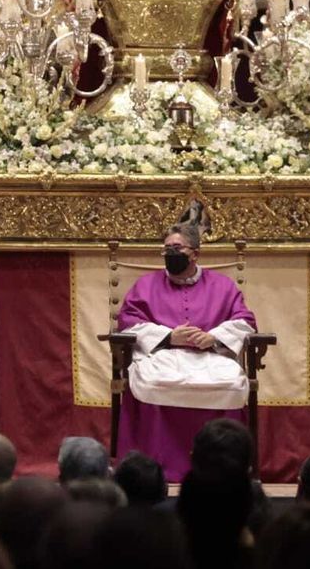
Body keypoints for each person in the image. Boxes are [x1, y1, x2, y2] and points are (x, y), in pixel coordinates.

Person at [115, 204, 257, 481]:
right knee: (151, 381)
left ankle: (223, 465)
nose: (170, 254)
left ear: (195, 253)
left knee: (231, 381)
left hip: (211, 358)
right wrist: (168, 336)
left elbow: (245, 321)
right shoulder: (146, 285)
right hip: (163, 357)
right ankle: (154, 469)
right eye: (166, 249)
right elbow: (128, 321)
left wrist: (214, 337)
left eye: (177, 248)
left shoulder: (223, 286)